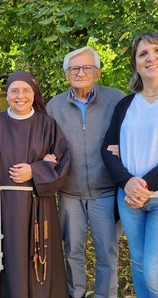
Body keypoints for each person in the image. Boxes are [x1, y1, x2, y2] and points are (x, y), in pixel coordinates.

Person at [0, 71, 70, 298]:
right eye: (14, 91)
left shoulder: (48, 124)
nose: (21, 96)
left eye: (26, 90)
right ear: (6, 94)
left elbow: (63, 162)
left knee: (36, 260)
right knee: (4, 258)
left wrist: (35, 170)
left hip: (37, 204)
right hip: (1, 203)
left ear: (34, 93)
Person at [46, 46, 125, 298]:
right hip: (69, 192)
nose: (80, 72)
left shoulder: (117, 99)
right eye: (74, 68)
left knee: (107, 254)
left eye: (87, 67)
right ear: (66, 74)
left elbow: (132, 134)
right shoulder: (54, 106)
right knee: (72, 252)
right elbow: (45, 143)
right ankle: (75, 294)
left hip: (106, 192)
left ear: (98, 72)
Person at [101, 32, 158, 297]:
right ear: (136, 63)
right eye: (143, 54)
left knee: (154, 273)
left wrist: (143, 184)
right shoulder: (126, 104)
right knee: (137, 263)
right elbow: (107, 149)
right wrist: (127, 182)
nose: (150, 58)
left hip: (155, 195)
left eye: (155, 50)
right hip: (129, 198)